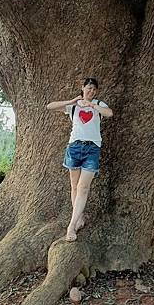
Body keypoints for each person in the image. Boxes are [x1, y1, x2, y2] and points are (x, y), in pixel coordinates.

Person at [46, 77, 113, 241]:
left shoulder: (98, 105)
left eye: (94, 89)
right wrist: (73, 101)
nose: (91, 91)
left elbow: (109, 113)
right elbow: (50, 106)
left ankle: (71, 226)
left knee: (83, 187)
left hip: (92, 149)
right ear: (83, 88)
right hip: (74, 147)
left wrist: (92, 105)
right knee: (74, 186)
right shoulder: (73, 107)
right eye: (88, 88)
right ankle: (79, 218)